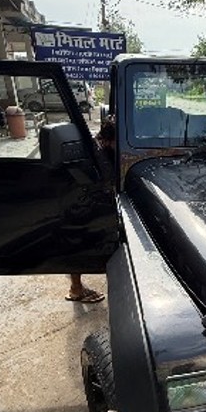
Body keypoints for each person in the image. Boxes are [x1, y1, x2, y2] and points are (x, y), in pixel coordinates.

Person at [64, 117, 116, 304]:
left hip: (87, 201)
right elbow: (106, 182)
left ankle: (77, 287)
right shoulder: (95, 153)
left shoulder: (100, 147)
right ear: (109, 140)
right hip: (81, 205)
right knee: (78, 244)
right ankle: (76, 289)